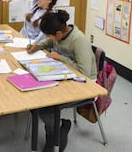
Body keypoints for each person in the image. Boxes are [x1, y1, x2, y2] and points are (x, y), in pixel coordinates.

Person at [26, 10, 97, 152]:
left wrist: (60, 58)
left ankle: (56, 133)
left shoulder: (78, 40)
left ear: (59, 33)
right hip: (64, 74)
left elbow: (84, 73)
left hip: (84, 83)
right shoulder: (59, 34)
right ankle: (57, 129)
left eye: (50, 35)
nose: (49, 38)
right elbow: (49, 41)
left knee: (47, 109)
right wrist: (37, 46)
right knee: (40, 102)